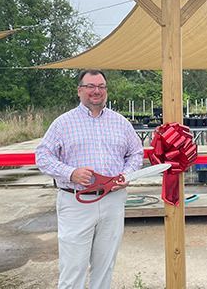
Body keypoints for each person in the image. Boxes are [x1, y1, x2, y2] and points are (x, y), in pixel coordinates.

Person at [36, 69, 143, 289]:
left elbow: (136, 152)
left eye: (101, 87)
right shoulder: (63, 123)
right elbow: (42, 156)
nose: (96, 91)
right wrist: (70, 173)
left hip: (112, 200)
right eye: (91, 86)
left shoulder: (120, 122)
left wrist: (127, 173)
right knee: (73, 267)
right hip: (76, 202)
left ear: (106, 90)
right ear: (80, 91)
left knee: (105, 266)